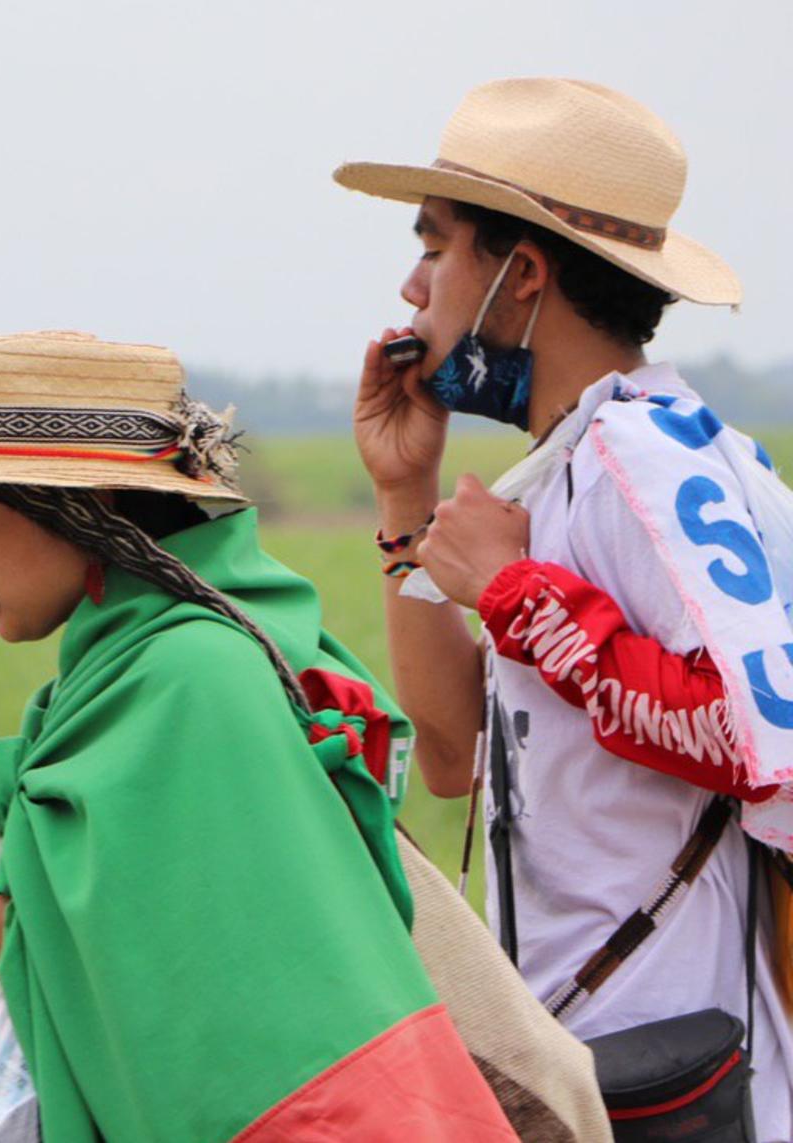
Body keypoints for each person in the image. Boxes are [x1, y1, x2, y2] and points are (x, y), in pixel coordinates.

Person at [0, 330, 514, 1141]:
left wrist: (18, 930)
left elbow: (217, 988)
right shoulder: (142, 663)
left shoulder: (192, 674)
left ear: (87, 509)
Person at [337, 77, 793, 1137]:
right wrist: (404, 498)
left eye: (435, 247)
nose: (411, 288)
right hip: (598, 1061)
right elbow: (450, 756)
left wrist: (514, 594)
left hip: (680, 1075)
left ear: (522, 275)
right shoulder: (589, 461)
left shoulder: (642, 457)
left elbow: (757, 736)